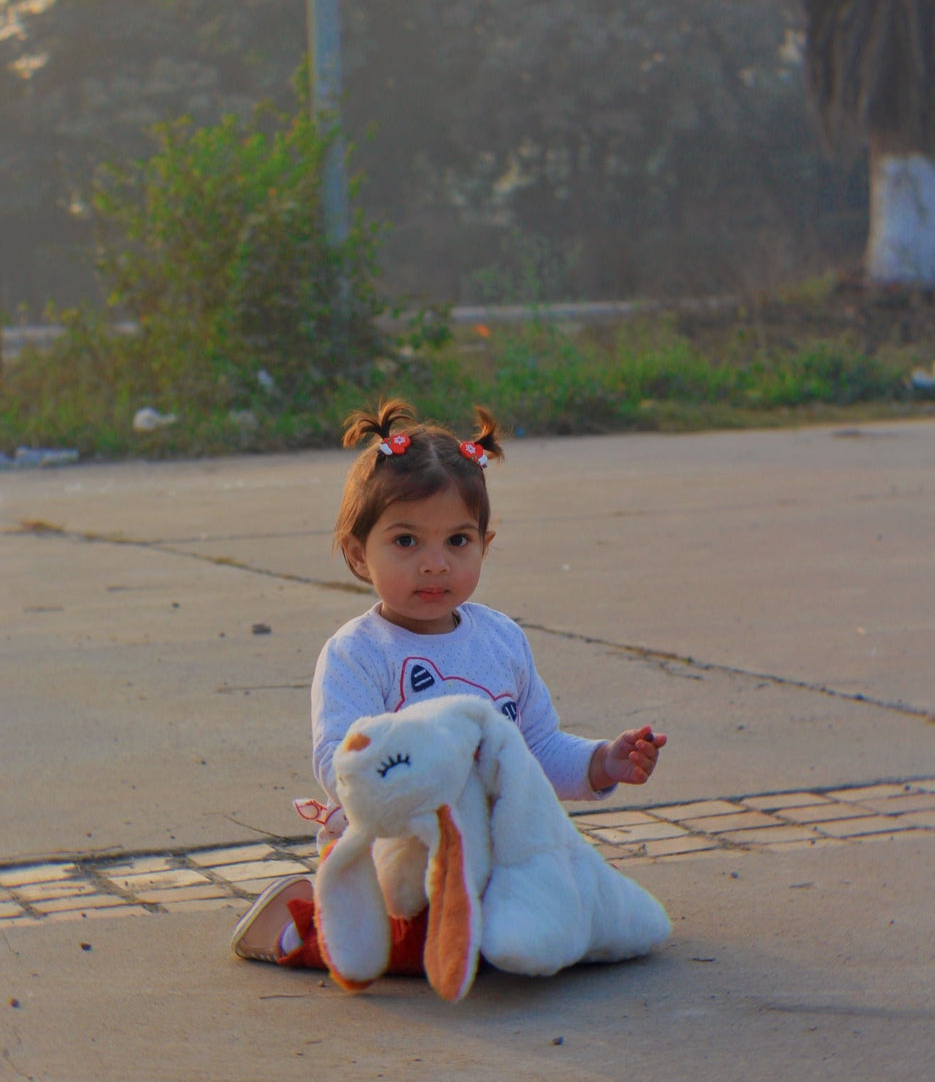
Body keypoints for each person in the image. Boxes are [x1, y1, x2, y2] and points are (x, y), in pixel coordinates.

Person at [230, 398, 666, 967]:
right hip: (404, 859)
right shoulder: (358, 653)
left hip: (500, 854)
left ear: (484, 546)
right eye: (407, 542)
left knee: (562, 908)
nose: (435, 564)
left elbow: (535, 750)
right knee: (421, 946)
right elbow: (343, 760)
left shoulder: (501, 640)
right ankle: (301, 924)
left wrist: (603, 762)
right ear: (360, 555)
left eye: (457, 541)